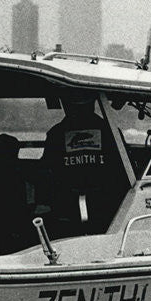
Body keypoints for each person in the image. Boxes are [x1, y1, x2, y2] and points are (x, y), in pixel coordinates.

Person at [40, 95, 123, 235]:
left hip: (77, 204)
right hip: (97, 204)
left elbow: (46, 169)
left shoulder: (56, 133)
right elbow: (121, 169)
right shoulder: (110, 130)